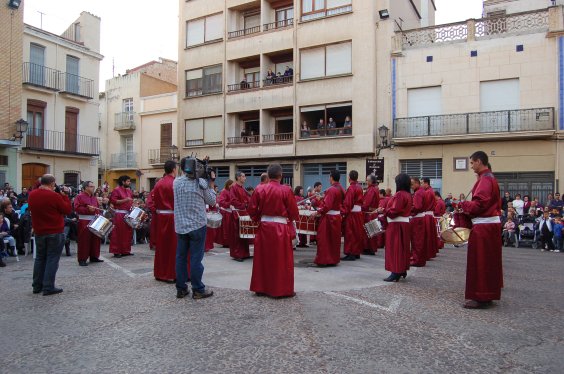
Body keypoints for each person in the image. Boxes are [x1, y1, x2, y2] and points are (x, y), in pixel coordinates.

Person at [459, 151, 503, 309]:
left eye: (472, 163)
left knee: (480, 262)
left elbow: (479, 205)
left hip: (484, 227)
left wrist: (463, 204)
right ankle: (488, 294)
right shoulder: (489, 178)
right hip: (489, 225)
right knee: (489, 261)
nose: (471, 166)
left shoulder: (485, 180)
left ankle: (480, 296)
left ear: (479, 161)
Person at [248, 163, 299, 298]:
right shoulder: (286, 190)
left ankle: (260, 288)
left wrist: (259, 218)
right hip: (280, 228)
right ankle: (281, 289)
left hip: (264, 226)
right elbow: (294, 213)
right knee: (281, 260)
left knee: (262, 258)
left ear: (268, 175)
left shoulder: (259, 189)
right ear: (281, 175)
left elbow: (251, 209)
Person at [174, 157, 216, 300]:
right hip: (197, 225)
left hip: (180, 226)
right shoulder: (201, 183)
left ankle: (181, 289)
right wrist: (210, 182)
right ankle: (198, 289)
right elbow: (212, 201)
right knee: (196, 259)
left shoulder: (176, 182)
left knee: (180, 258)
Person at [28, 174, 72, 296]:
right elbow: (67, 210)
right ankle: (48, 286)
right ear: (52, 183)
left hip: (39, 231)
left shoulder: (32, 195)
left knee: (40, 258)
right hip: (54, 230)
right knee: (52, 258)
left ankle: (37, 285)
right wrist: (65, 197)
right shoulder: (54, 196)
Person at [153, 161, 183, 283]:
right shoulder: (175, 183)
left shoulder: (158, 183)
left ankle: (160, 273)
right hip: (172, 217)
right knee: (173, 247)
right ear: (174, 169)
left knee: (161, 246)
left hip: (161, 217)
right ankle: (171, 273)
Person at [380, 173, 412, 282]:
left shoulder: (399, 195)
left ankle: (396, 271)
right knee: (403, 248)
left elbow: (394, 211)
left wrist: (384, 210)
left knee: (395, 248)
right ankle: (402, 269)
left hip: (396, 225)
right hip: (404, 224)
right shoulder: (408, 194)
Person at [314, 170, 344, 267]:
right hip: (336, 217)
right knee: (333, 240)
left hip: (329, 218)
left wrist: (317, 212)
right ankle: (333, 259)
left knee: (324, 239)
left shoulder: (331, 189)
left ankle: (324, 260)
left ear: (331, 178)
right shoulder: (340, 189)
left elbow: (327, 206)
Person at [73, 181, 103, 266]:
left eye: (93, 186)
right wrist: (87, 210)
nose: (93, 188)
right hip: (84, 221)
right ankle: (82, 259)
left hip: (94, 220)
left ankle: (94, 256)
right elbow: (77, 208)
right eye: (91, 186)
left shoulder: (94, 198)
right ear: (86, 187)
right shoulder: (79, 197)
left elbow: (97, 209)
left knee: (95, 239)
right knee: (84, 241)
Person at [341, 170, 364, 261]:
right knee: (357, 233)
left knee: (350, 233)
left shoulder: (351, 188)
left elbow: (348, 203)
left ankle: (350, 253)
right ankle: (356, 252)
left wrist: (343, 212)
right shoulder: (359, 187)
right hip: (358, 213)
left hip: (352, 213)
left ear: (349, 178)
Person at [109, 176, 134, 258]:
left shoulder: (129, 191)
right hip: (120, 214)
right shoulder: (116, 190)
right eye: (128, 181)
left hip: (128, 214)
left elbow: (130, 201)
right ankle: (116, 251)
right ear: (123, 182)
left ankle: (126, 250)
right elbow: (113, 201)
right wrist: (125, 200)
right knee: (118, 233)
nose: (129, 182)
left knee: (127, 233)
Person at [229, 172, 251, 262]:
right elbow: (233, 200)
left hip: (244, 213)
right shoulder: (233, 188)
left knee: (244, 234)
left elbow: (248, 199)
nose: (245, 178)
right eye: (243, 176)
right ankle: (237, 254)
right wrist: (244, 205)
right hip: (237, 214)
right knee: (237, 235)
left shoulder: (243, 188)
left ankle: (245, 253)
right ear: (238, 177)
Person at [410, 177, 427, 267]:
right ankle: (419, 259)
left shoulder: (418, 193)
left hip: (417, 218)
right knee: (419, 240)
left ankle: (416, 260)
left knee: (416, 240)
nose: (411, 186)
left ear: (417, 183)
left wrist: (409, 209)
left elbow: (417, 207)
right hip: (420, 217)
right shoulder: (422, 191)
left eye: (412, 184)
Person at [362, 175, 380, 255]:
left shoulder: (371, 190)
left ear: (370, 181)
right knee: (372, 231)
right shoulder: (375, 189)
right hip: (374, 212)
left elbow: (367, 202)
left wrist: (362, 207)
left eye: (367, 180)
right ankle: (371, 248)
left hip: (369, 213)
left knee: (369, 232)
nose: (366, 182)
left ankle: (368, 249)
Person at [422, 178, 437, 259]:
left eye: (422, 183)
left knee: (427, 235)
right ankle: (430, 252)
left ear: (426, 183)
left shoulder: (428, 192)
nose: (421, 185)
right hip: (430, 215)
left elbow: (424, 204)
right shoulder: (431, 191)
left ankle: (427, 254)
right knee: (430, 235)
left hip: (427, 214)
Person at [218, 180, 234, 248]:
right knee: (226, 229)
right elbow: (221, 202)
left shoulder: (230, 191)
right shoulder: (224, 191)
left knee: (229, 229)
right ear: (228, 184)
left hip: (230, 212)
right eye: (231, 185)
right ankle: (226, 242)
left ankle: (229, 242)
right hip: (225, 212)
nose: (232, 186)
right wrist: (229, 204)